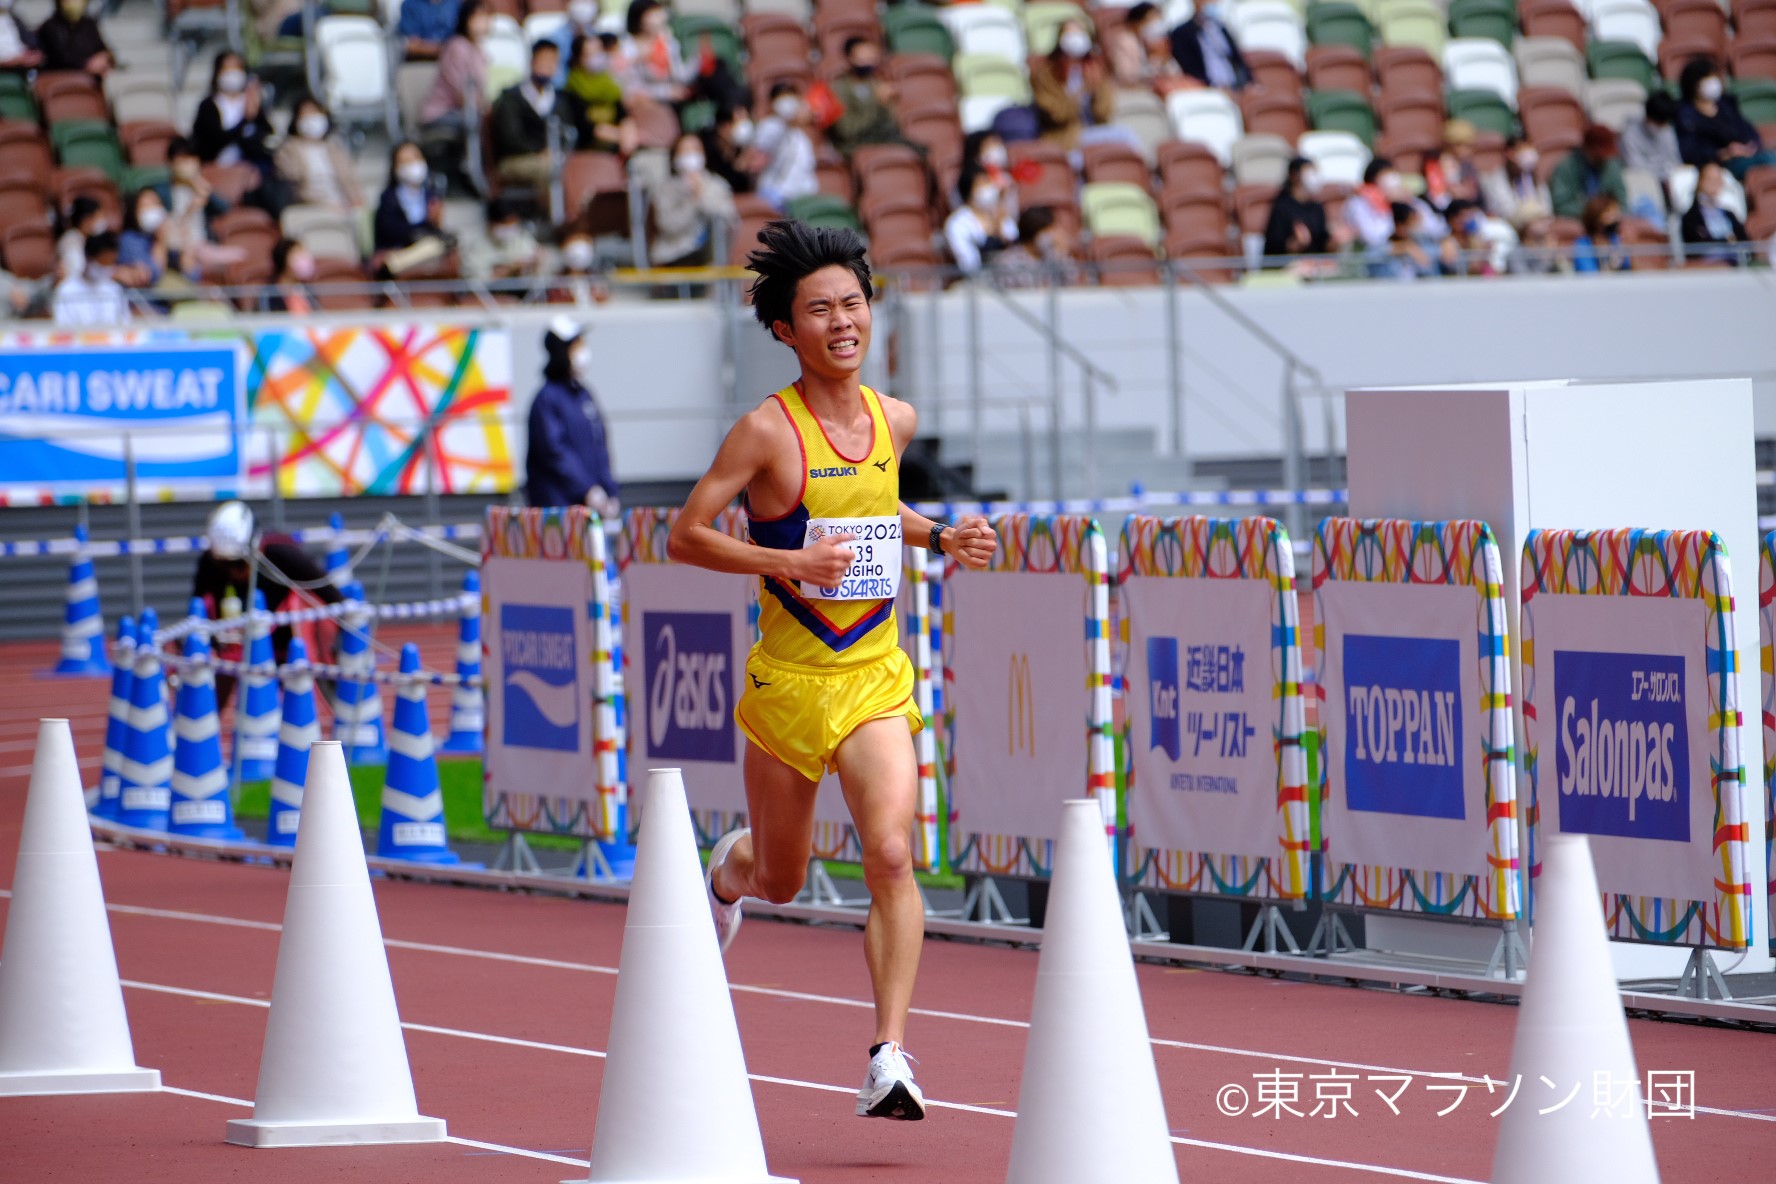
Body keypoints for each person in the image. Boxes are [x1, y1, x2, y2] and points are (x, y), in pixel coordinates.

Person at [665, 220, 997, 1123]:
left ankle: (890, 1055)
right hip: (787, 688)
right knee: (781, 877)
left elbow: (876, 507)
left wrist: (941, 536)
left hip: (874, 677)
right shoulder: (765, 432)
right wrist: (781, 564)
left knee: (890, 851)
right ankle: (726, 874)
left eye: (853, 303)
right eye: (821, 309)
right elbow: (685, 535)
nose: (843, 321)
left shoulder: (896, 419)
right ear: (785, 328)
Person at [192, 501, 343, 711]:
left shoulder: (281, 554)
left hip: (282, 635)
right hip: (230, 640)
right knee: (212, 686)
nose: (234, 572)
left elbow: (333, 596)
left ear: (254, 546)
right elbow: (195, 611)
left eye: (238, 563)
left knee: (292, 693)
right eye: (225, 565)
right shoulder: (209, 563)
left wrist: (341, 639)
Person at [526, 317, 618, 514]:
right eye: (576, 345)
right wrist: (587, 490)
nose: (582, 351)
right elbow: (554, 452)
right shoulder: (547, 399)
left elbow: (599, 444)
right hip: (559, 510)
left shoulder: (584, 394)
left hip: (590, 508)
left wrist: (609, 490)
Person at [491, 40, 577, 192]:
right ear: (532, 62)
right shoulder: (511, 98)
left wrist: (558, 151)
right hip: (517, 159)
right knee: (550, 169)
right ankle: (554, 214)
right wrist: (540, 150)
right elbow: (510, 138)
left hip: (554, 157)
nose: (548, 65)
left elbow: (567, 132)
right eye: (544, 60)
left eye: (553, 61)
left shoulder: (560, 99)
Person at [1675, 56, 1776, 180]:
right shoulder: (1686, 116)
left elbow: (1747, 129)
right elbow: (1690, 152)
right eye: (1708, 78)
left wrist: (1749, 146)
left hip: (1747, 156)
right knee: (1768, 159)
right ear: (1695, 84)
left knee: (1768, 156)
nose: (1714, 82)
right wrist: (1725, 152)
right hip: (1719, 166)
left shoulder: (1726, 104)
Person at [649, 132, 736, 267]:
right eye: (685, 151)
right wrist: (692, 201)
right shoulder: (665, 189)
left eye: (695, 150)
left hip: (712, 254)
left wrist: (701, 195)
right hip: (676, 253)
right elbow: (668, 226)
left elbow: (729, 220)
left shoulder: (717, 185)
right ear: (675, 157)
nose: (691, 155)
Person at [1031, 20, 1114, 152]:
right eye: (1070, 33)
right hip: (1064, 137)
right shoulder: (1046, 73)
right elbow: (1056, 114)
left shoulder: (1095, 68)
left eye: (1079, 32)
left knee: (1124, 138)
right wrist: (1081, 92)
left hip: (1094, 130)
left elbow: (1104, 112)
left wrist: (1096, 91)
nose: (1075, 37)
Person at [274, 96, 366, 215]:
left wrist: (357, 200)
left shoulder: (334, 148)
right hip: (311, 207)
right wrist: (325, 205)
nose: (312, 119)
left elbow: (350, 179)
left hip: (343, 204)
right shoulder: (288, 150)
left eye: (316, 113)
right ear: (297, 120)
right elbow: (294, 186)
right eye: (306, 115)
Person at [191, 52, 276, 177]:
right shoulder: (209, 105)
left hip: (249, 168)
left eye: (237, 68)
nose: (233, 73)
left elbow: (267, 135)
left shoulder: (249, 102)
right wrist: (245, 119)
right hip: (219, 168)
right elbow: (214, 141)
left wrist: (257, 112)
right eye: (227, 68)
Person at [420, 0, 488, 139]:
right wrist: (484, 108)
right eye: (478, 17)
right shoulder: (456, 46)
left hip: (464, 112)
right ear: (466, 19)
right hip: (442, 114)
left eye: (486, 17)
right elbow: (461, 94)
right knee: (482, 122)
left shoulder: (479, 51)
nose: (483, 22)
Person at [565, 32, 640, 156]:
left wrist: (628, 132)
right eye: (590, 54)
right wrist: (619, 136)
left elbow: (624, 115)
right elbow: (587, 128)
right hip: (589, 149)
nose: (597, 57)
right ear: (578, 59)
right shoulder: (573, 88)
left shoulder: (609, 83)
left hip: (618, 143)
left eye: (599, 52)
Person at [829, 36, 906, 157]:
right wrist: (876, 101)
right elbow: (847, 130)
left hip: (882, 139)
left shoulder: (875, 84)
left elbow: (891, 124)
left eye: (871, 58)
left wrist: (887, 104)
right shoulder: (838, 89)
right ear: (850, 58)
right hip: (854, 146)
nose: (868, 63)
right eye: (862, 58)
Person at [373, 141, 448, 253]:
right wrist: (424, 228)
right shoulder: (389, 199)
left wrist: (436, 222)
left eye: (416, 158)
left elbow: (436, 229)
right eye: (406, 162)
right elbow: (393, 232)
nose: (413, 165)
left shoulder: (431, 195)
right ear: (395, 168)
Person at [755, 82, 818, 210]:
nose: (787, 103)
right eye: (782, 98)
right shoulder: (767, 126)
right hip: (775, 195)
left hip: (802, 197)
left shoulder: (802, 137)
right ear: (771, 103)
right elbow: (775, 139)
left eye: (790, 97)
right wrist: (794, 120)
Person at [944, 165, 1017, 275]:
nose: (988, 188)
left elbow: (1015, 242)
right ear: (969, 191)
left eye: (988, 182)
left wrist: (998, 228)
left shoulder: (1000, 216)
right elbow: (968, 263)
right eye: (981, 185)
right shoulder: (957, 223)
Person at [991, 204, 1083, 286]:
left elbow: (1073, 284)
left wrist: (1062, 254)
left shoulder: (1053, 256)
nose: (1053, 237)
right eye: (1048, 232)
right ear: (1035, 233)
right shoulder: (1009, 261)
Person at [1262, 156, 1333, 261]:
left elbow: (1323, 243)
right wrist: (1296, 244)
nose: (1313, 177)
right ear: (1294, 175)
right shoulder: (1281, 207)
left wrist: (1335, 241)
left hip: (1315, 266)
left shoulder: (1317, 208)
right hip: (1287, 268)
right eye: (1308, 172)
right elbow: (1274, 248)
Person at [1549, 124, 1627, 220]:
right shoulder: (1567, 167)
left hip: (1608, 220)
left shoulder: (1611, 165)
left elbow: (1622, 201)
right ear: (1587, 148)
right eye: (1598, 154)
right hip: (1579, 219)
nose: (1602, 158)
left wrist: (1615, 213)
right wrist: (1592, 213)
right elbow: (1561, 204)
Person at [1681, 160, 1752, 265]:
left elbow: (1744, 241)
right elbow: (1698, 244)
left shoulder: (1729, 214)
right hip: (1708, 268)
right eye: (1710, 179)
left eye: (1718, 179)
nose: (1715, 183)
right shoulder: (1691, 217)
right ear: (1700, 181)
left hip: (1734, 263)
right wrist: (1727, 241)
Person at [1170, 0, 1249, 90]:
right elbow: (1189, 68)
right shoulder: (1182, 33)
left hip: (1235, 85)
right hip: (1207, 89)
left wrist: (1248, 83)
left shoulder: (1220, 27)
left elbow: (1237, 58)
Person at [53, 231, 128, 324]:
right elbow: (62, 328)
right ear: (88, 259)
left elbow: (125, 326)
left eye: (110, 263)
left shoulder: (114, 290)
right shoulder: (66, 291)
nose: (106, 268)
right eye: (103, 263)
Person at [469, 197, 543, 286]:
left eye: (513, 223)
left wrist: (535, 263)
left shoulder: (522, 239)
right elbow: (477, 280)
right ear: (491, 223)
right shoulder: (477, 245)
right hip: (492, 295)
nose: (510, 228)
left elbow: (536, 257)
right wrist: (510, 269)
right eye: (505, 223)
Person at [1479, 134, 1550, 226]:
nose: (1528, 154)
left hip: (1539, 223)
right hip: (1511, 226)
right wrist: (1530, 215)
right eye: (1522, 149)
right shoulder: (1496, 179)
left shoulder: (1534, 177)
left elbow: (1547, 207)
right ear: (1510, 153)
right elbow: (1506, 212)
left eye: (1529, 148)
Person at [1105, 2, 1179, 90]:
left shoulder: (1153, 42)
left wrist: (1162, 59)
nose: (1155, 25)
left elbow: (1174, 72)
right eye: (1151, 20)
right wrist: (1154, 67)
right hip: (1131, 94)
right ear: (1136, 23)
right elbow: (1127, 76)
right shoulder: (1125, 41)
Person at [1622, 92, 1682, 189]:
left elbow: (1674, 160)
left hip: (1667, 181)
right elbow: (1635, 167)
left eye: (1663, 124)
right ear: (1647, 116)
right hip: (1642, 183)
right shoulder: (1630, 135)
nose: (1660, 127)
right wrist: (1662, 173)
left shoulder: (1667, 131)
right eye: (1658, 123)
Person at [1344, 157, 1405, 252]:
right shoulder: (1358, 202)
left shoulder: (1389, 202)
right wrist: (1400, 248)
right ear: (1374, 177)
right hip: (1366, 260)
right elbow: (1371, 238)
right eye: (1387, 173)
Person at [36, 0, 110, 77]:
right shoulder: (50, 27)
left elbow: (103, 49)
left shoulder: (89, 25)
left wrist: (105, 58)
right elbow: (62, 58)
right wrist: (87, 65)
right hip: (63, 78)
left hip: (90, 79)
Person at [116, 188, 170, 290]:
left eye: (155, 204)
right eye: (145, 206)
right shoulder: (128, 239)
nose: (152, 211)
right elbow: (151, 276)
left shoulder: (154, 237)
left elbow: (192, 274)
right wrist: (160, 242)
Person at [1424, 119, 1481, 211]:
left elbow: (1475, 195)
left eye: (1470, 145)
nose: (1468, 149)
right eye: (1462, 145)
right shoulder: (1434, 164)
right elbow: (1437, 198)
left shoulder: (1467, 165)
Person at [701, 104, 758, 195]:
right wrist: (737, 169)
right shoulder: (704, 150)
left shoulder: (744, 151)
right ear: (722, 128)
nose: (744, 129)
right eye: (739, 123)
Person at [1572, 194, 1629, 272]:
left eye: (1616, 212)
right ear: (1596, 218)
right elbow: (1589, 276)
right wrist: (1611, 266)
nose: (1615, 217)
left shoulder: (1617, 241)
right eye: (1609, 212)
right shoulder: (1582, 246)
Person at [55, 194, 106, 281]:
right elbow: (74, 271)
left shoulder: (90, 240)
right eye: (98, 217)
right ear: (86, 220)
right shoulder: (71, 239)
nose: (102, 222)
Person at [262, 237, 318, 312]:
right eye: (298, 254)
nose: (304, 259)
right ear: (284, 259)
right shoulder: (269, 294)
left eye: (303, 253)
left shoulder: (308, 292)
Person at [0, 0, 42, 70]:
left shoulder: (13, 18)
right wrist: (12, 62)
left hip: (22, 68)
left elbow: (31, 44)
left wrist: (33, 55)